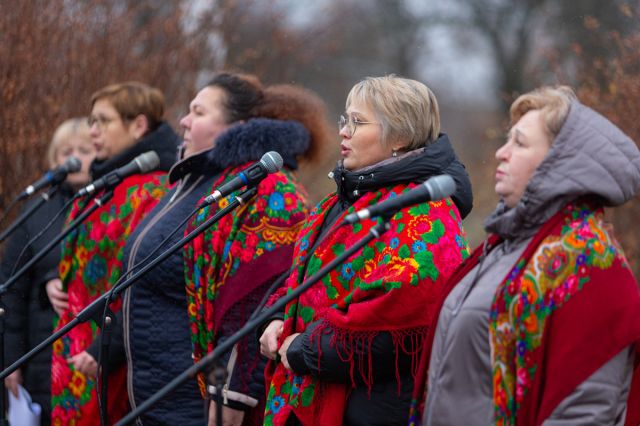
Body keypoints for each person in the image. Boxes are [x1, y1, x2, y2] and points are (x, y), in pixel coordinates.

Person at [90, 72, 333, 425]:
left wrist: (228, 401)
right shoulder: (192, 181)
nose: (184, 121)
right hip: (148, 401)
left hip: (198, 409)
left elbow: (255, 309)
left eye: (199, 112)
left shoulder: (267, 192)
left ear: (239, 126)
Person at [418, 86, 640, 425]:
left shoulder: (591, 265)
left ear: (561, 162)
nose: (500, 153)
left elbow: (583, 413)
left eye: (519, 143)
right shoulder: (503, 246)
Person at [259, 75, 473, 426]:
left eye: (358, 122)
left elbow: (397, 316)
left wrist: (301, 348)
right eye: (346, 120)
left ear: (400, 138)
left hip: (370, 409)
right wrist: (274, 319)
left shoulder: (427, 211)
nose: (343, 131)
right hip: (301, 390)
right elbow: (300, 278)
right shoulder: (339, 201)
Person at [49, 82, 179, 424]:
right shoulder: (107, 181)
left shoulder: (154, 190)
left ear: (138, 125)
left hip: (109, 353)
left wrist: (106, 345)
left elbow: (142, 281)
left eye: (103, 121)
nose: (93, 131)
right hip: (71, 345)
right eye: (91, 121)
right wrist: (55, 280)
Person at [2, 118, 95, 425]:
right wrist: (11, 362)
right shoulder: (36, 211)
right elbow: (11, 290)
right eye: (66, 151)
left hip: (93, 351)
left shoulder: (111, 204)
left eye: (84, 149)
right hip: (42, 356)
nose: (75, 158)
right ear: (55, 160)